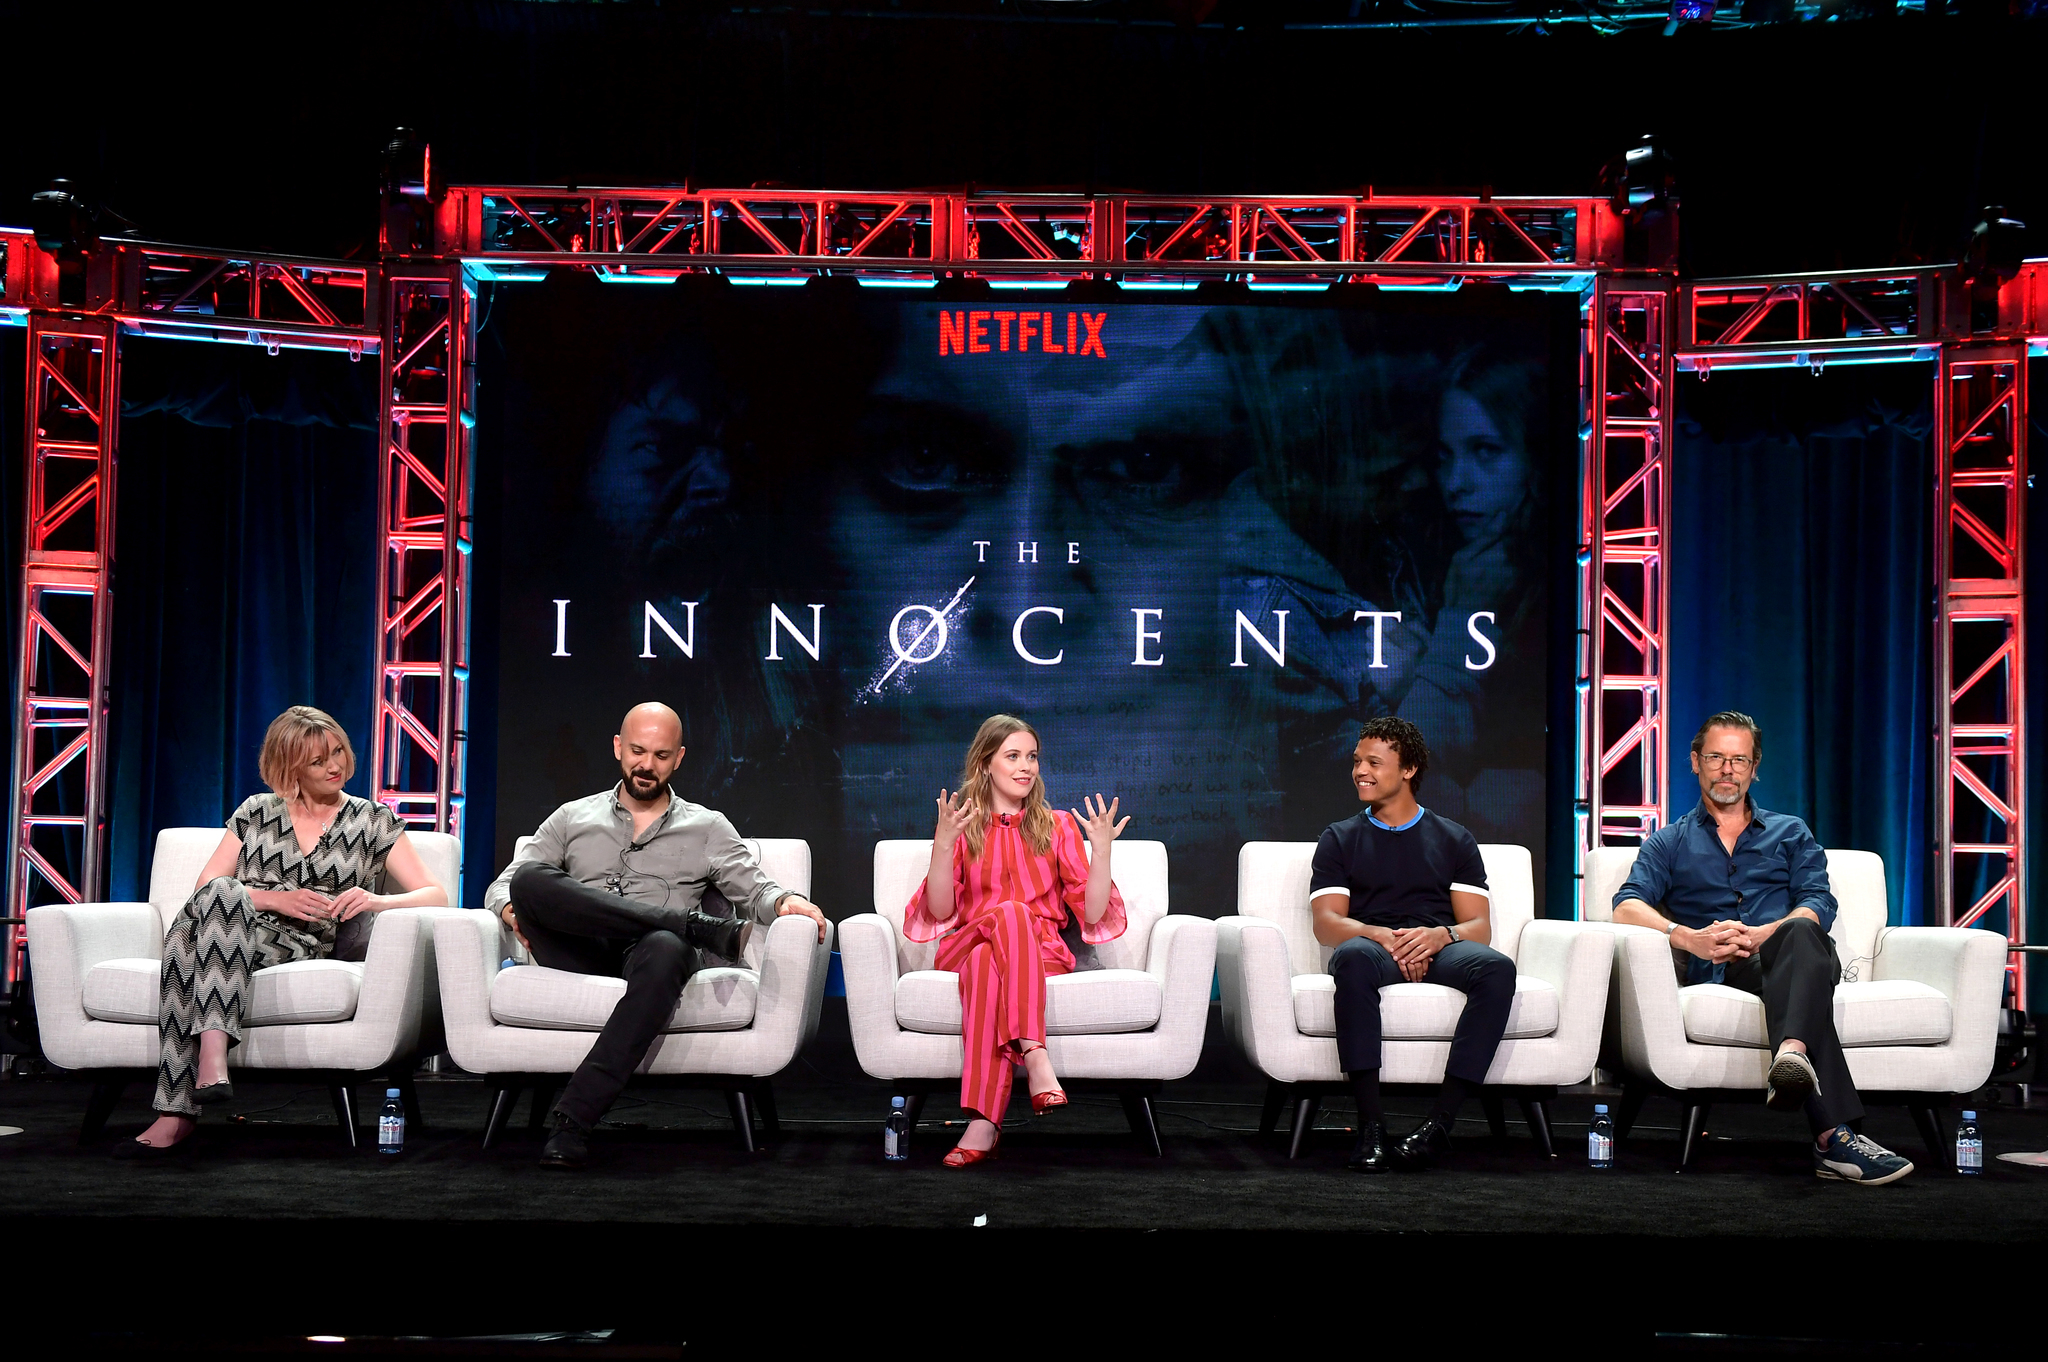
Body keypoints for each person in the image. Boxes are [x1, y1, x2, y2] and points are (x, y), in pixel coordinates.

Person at [487, 701, 828, 1169]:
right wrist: (509, 910)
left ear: (680, 758)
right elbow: (505, 884)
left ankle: (571, 1122)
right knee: (530, 881)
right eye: (637, 751)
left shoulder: (707, 826)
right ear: (617, 748)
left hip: (650, 958)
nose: (646, 765)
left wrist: (788, 902)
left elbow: (755, 889)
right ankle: (688, 925)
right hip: (574, 947)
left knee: (669, 947)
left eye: (661, 755)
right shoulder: (572, 817)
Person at [119, 706, 450, 1158]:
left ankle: (177, 1110)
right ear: (289, 766)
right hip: (231, 921)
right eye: (318, 761)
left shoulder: (372, 820)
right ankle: (212, 1058)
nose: (335, 766)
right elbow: (205, 887)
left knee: (187, 948)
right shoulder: (257, 811)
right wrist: (278, 898)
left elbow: (437, 895)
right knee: (222, 896)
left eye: (337, 752)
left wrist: (376, 900)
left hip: (299, 941)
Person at [1612, 710, 1914, 1185]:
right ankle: (1831, 1137)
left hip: (1794, 953)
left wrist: (1764, 933)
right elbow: (1626, 905)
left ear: (1755, 768)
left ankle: (1793, 1055)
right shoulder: (1667, 842)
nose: (1727, 769)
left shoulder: (1790, 832)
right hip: (1722, 967)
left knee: (1799, 932)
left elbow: (1818, 900)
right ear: (1695, 762)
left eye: (1739, 759)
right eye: (1716, 757)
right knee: (1801, 994)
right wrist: (1688, 937)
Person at [903, 714, 1130, 1167]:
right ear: (986, 764)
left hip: (1036, 951)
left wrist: (1101, 850)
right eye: (1013, 756)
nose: (1026, 767)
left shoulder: (1058, 825)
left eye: (1032, 757)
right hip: (968, 940)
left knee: (993, 960)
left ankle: (983, 1124)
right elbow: (943, 911)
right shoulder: (963, 825)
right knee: (1005, 917)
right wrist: (944, 844)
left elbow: (1090, 910)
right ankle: (1035, 1053)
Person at [1310, 715, 1514, 1173]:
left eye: (1374, 762)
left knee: (1496, 968)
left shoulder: (1453, 837)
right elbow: (1327, 924)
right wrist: (1380, 934)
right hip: (1373, 943)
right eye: (1357, 761)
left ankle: (1440, 1124)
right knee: (1353, 959)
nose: (1360, 771)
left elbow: (1476, 925)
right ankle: (1371, 1126)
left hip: (1438, 945)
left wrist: (1443, 936)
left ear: (1408, 770)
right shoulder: (1339, 838)